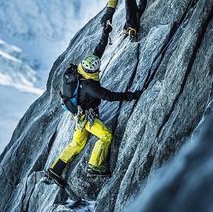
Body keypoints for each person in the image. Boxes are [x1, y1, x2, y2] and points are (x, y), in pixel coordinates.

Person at [47, 24, 142, 183]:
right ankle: (94, 166)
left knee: (76, 143)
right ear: (92, 71)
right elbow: (110, 96)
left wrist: (105, 33)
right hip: (86, 117)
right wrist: (132, 95)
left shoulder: (79, 70)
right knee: (105, 136)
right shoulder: (90, 86)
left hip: (78, 116)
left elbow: (98, 50)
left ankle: (55, 170)